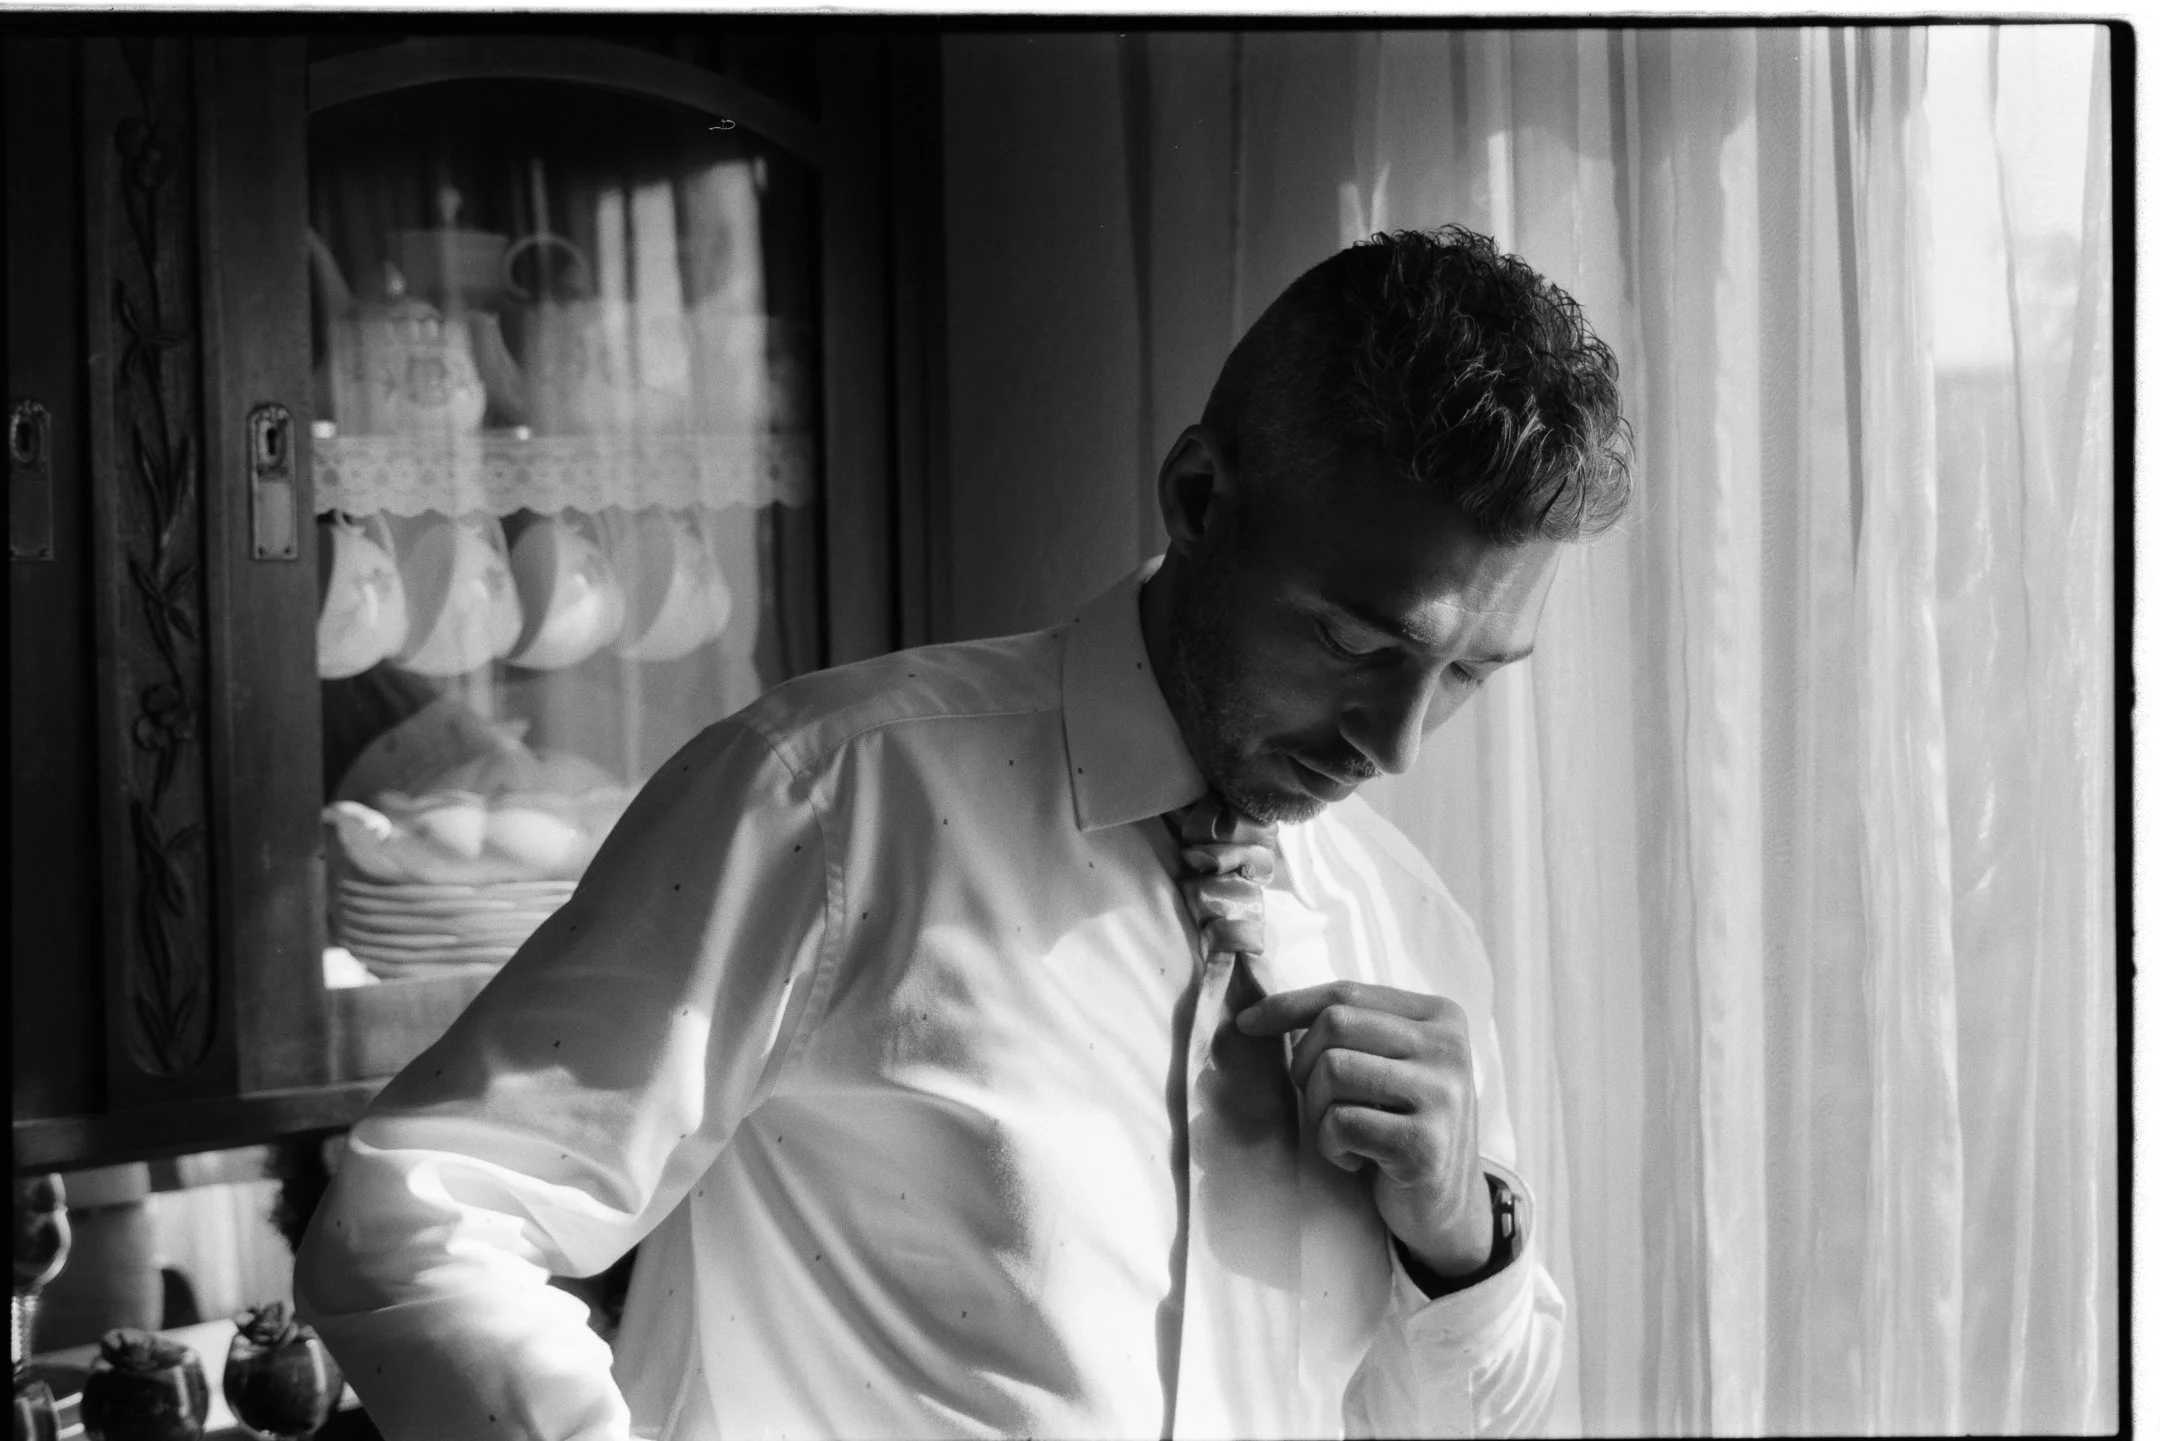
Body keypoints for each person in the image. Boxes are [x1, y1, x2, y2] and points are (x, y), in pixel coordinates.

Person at [294, 224, 1631, 1440]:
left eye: (1466, 677)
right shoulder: (828, 800)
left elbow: (1457, 1420)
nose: (1391, 747)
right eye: (1351, 640)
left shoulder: (1405, 924)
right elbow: (422, 1217)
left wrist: (1461, 1242)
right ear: (1201, 499)